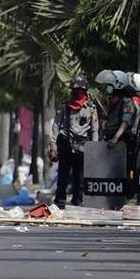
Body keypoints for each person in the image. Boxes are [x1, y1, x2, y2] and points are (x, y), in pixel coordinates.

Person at [50, 76, 99, 208]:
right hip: (66, 145)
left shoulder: (91, 108)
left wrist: (94, 149)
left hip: (82, 146)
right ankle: (60, 202)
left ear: (85, 92)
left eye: (80, 90)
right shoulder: (64, 106)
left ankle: (77, 203)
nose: (78, 93)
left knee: (80, 178)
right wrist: (53, 145)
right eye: (75, 90)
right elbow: (56, 126)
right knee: (63, 176)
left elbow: (94, 130)